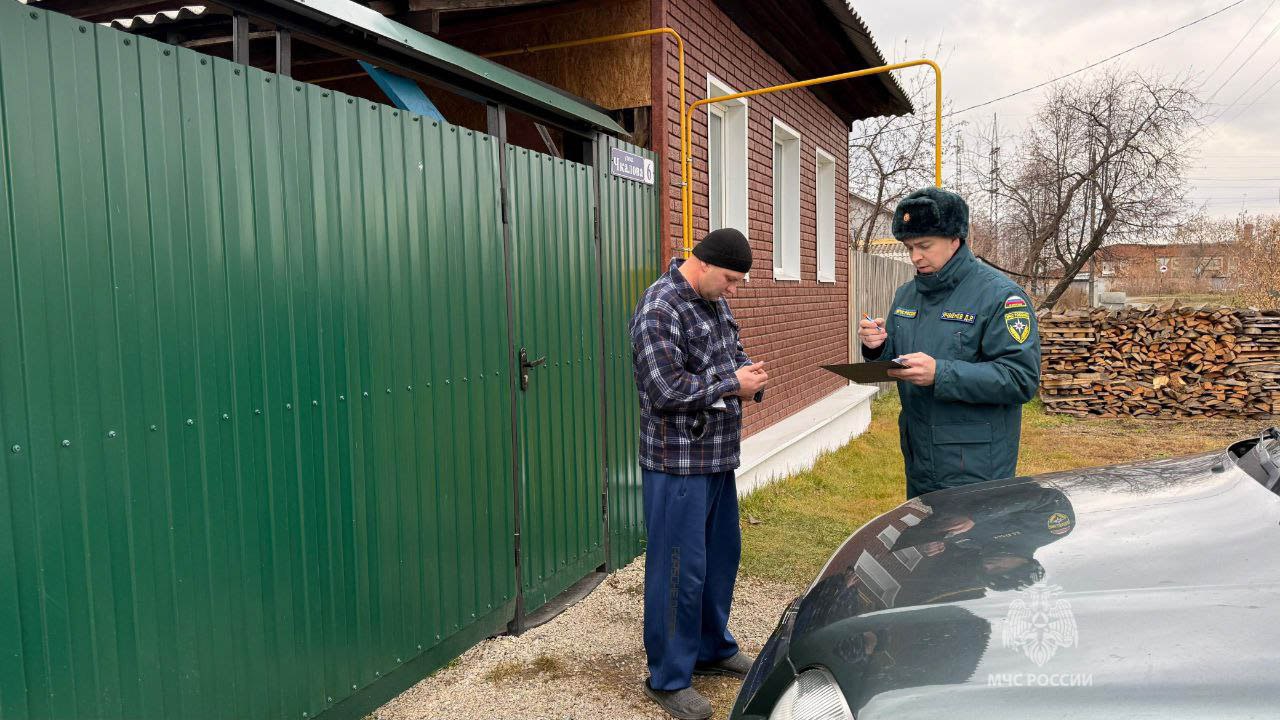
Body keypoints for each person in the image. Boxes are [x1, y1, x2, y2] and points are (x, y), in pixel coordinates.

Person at [630, 227, 768, 720]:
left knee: (719, 559)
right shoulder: (659, 308)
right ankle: (667, 677)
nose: (733, 290)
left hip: (717, 458)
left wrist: (748, 376)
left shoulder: (712, 303)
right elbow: (664, 389)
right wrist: (732, 383)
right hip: (677, 463)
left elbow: (734, 353)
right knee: (677, 571)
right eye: (730, 280)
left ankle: (712, 648)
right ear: (704, 264)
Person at [859, 187, 1040, 498]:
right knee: (923, 545)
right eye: (909, 247)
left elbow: (1020, 379)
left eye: (925, 246)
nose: (916, 257)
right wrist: (877, 348)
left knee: (972, 547)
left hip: (975, 467)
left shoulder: (1000, 296)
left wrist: (940, 373)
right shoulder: (906, 295)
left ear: (955, 240)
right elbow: (900, 361)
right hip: (919, 457)